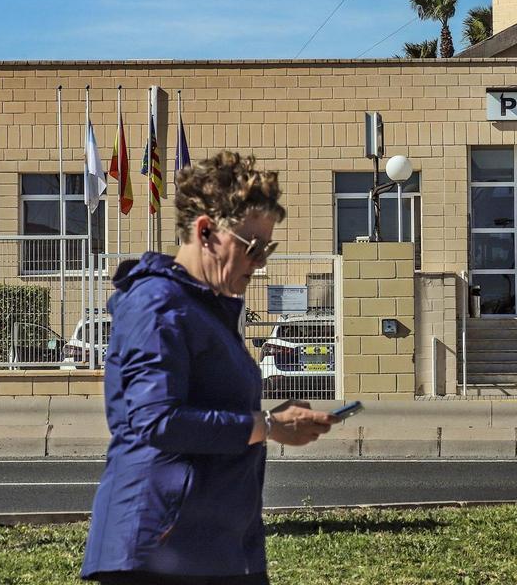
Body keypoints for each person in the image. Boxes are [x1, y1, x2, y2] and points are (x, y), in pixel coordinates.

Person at [82, 152, 337, 585]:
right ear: (205, 232)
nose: (260, 263)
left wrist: (270, 423)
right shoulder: (158, 303)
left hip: (214, 547)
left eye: (267, 249)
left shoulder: (205, 309)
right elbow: (156, 420)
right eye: (253, 247)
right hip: (159, 550)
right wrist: (269, 426)